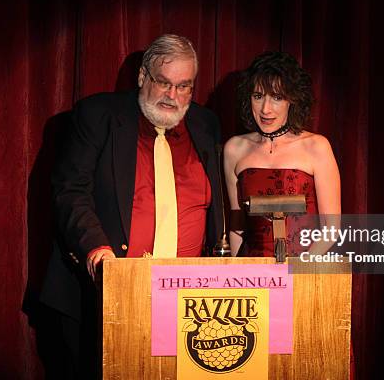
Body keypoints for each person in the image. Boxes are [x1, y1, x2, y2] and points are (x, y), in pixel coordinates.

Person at [40, 34, 223, 378]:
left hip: (187, 303)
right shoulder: (98, 115)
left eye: (184, 86)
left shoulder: (205, 124)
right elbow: (70, 191)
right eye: (164, 83)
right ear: (143, 76)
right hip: (104, 298)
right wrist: (96, 247)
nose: (173, 96)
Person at [224, 51, 340, 257]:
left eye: (277, 97)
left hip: (303, 272)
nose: (265, 109)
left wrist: (297, 273)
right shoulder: (234, 149)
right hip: (253, 278)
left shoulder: (317, 147)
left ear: (292, 101)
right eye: (258, 96)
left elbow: (331, 229)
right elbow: (237, 227)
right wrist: (237, 276)